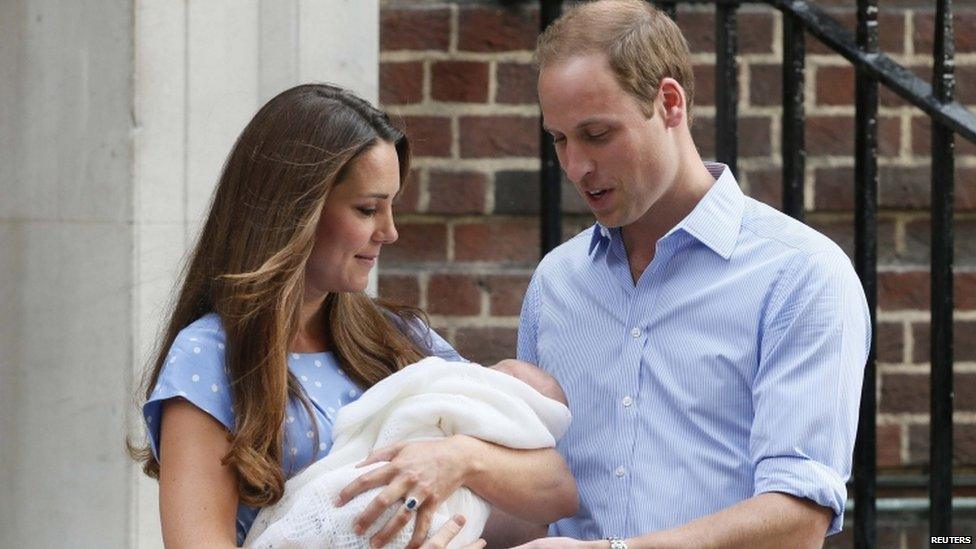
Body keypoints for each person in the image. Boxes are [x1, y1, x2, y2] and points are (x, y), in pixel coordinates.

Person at [129, 83, 577, 548]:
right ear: (295, 210)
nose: (389, 231)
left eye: (391, 207)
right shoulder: (209, 357)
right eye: (367, 209)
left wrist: (459, 459)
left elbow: (556, 493)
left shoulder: (401, 338)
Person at [512, 1, 870, 547]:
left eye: (597, 134)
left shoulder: (800, 275)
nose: (576, 167)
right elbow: (536, 497)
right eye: (559, 139)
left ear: (670, 102)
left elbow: (798, 520)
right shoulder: (556, 283)